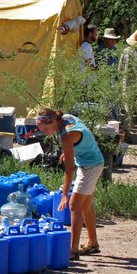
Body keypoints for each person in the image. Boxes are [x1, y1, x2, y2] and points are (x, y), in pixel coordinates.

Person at [35, 108, 104, 260]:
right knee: (85, 204)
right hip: (90, 161)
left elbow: (69, 168)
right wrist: (69, 151)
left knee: (74, 204)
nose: (43, 131)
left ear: (53, 122)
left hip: (90, 166)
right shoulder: (65, 118)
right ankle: (93, 243)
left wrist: (65, 194)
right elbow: (82, 136)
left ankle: (73, 250)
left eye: (44, 128)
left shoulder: (66, 135)